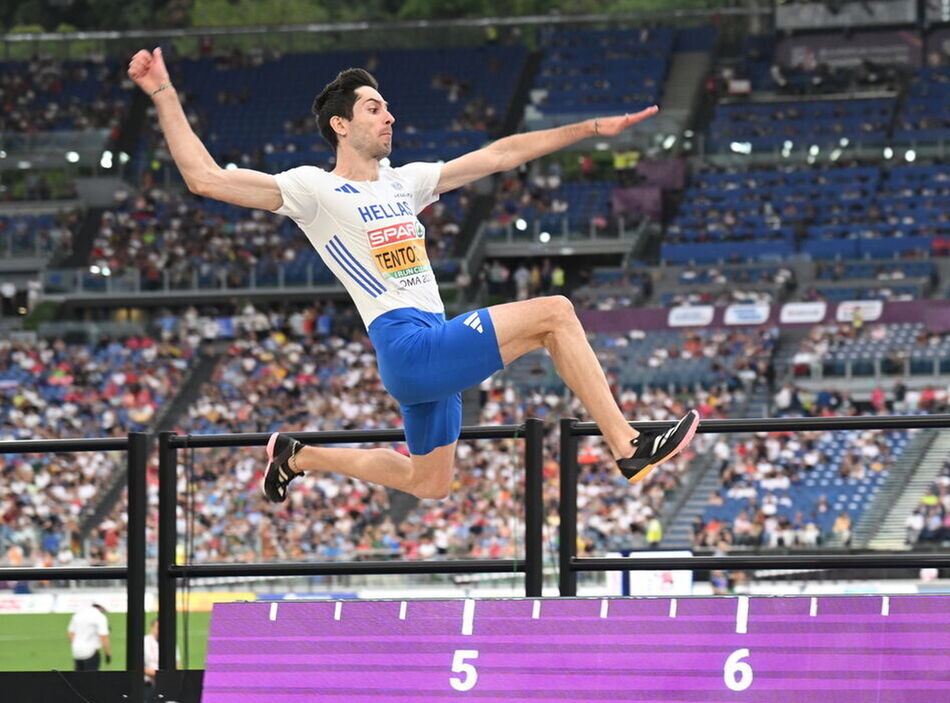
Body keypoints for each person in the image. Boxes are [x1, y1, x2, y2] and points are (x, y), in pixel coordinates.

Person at [127, 48, 698, 503]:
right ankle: (627, 444)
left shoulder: (405, 182)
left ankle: (297, 456)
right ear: (340, 124)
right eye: (374, 108)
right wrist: (162, 91)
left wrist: (591, 128)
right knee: (556, 313)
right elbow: (203, 176)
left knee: (430, 482)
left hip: (432, 352)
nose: (389, 115)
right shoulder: (313, 189)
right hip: (407, 345)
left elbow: (500, 155)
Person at [67, 602, 111, 671]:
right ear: (101, 608)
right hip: (91, 652)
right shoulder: (100, 617)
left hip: (76, 651)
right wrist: (107, 654)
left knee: (77, 679)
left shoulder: (78, 614)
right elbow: (104, 638)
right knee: (92, 679)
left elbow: (70, 633)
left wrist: (76, 645)